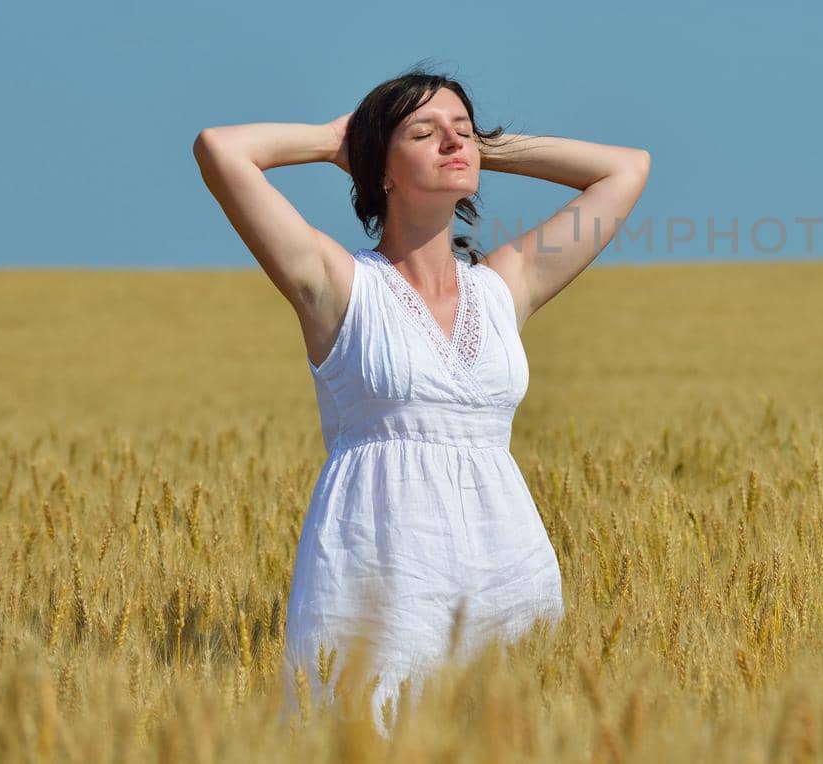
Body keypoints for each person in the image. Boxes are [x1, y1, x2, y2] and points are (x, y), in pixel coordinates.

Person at [191, 65, 652, 734]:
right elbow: (220, 148)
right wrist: (334, 140)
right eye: (424, 133)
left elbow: (625, 169)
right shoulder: (336, 284)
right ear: (380, 164)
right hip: (378, 575)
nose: (452, 143)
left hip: (507, 568)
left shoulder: (506, 286)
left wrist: (481, 144)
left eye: (461, 131)